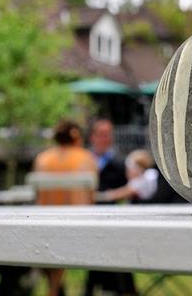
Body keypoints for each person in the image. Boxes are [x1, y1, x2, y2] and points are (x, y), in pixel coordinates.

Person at [33, 120, 97, 296]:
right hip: (79, 229)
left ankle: (54, 288)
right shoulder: (86, 158)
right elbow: (91, 198)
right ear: (77, 138)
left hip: (44, 228)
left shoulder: (42, 159)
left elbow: (37, 196)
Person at [85, 119, 137, 296]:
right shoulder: (84, 162)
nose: (106, 138)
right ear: (92, 137)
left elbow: (133, 186)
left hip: (113, 220)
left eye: (108, 134)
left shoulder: (120, 163)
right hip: (86, 219)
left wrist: (111, 195)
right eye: (101, 134)